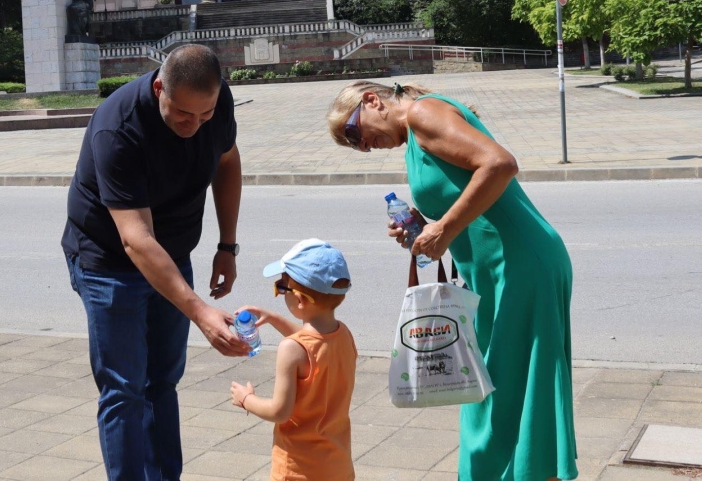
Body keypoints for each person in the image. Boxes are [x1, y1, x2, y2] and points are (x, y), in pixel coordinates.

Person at [327, 81, 578, 481]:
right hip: (495, 272)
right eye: (354, 146)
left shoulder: (424, 113)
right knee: (499, 394)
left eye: (355, 133)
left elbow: (499, 163)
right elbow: (467, 200)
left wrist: (444, 227)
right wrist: (425, 227)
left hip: (519, 265)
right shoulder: (413, 134)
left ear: (372, 101)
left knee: (514, 395)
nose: (364, 147)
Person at [62, 44, 249, 481]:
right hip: (109, 261)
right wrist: (200, 311)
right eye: (184, 114)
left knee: (162, 381)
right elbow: (136, 239)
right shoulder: (119, 126)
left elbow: (227, 159)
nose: (195, 125)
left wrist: (227, 245)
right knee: (125, 389)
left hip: (173, 251)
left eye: (205, 116)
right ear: (160, 86)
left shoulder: (213, 102)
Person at [229, 238, 357, 481]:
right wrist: (275, 318)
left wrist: (246, 399)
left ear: (298, 300)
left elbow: (279, 411)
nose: (278, 293)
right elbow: (313, 346)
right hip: (337, 466)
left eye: (280, 286)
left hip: (298, 469)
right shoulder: (344, 335)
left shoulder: (291, 348)